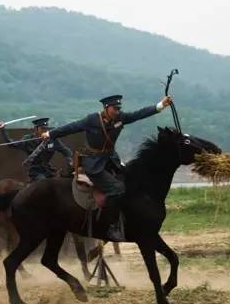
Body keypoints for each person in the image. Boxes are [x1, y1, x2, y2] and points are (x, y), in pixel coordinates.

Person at [43, 94, 172, 241]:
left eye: (119, 108)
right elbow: (71, 127)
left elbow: (138, 114)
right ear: (106, 108)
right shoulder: (91, 120)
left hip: (111, 159)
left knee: (129, 181)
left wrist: (160, 105)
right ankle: (111, 226)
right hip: (94, 163)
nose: (117, 111)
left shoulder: (120, 118)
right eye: (114, 108)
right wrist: (50, 134)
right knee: (116, 188)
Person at [0, 117, 72, 182]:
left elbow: (66, 151)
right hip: (35, 171)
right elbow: (12, 144)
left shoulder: (52, 140)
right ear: (36, 129)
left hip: (48, 170)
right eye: (42, 129)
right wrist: (2, 130)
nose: (45, 131)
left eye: (46, 129)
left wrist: (70, 161)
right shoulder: (28, 139)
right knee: (43, 183)